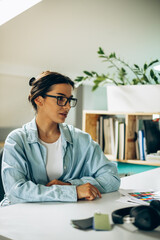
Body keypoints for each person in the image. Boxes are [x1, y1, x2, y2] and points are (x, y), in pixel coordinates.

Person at [1, 71, 120, 205]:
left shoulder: (82, 139)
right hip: (22, 216)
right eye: (61, 99)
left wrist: (70, 184)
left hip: (65, 214)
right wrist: (73, 192)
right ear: (39, 99)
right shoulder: (17, 140)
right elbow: (15, 191)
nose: (68, 106)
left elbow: (112, 178)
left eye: (69, 100)